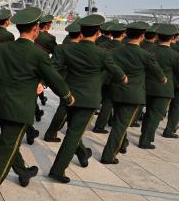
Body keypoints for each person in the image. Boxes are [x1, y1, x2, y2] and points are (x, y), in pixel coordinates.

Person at [0, 7, 73, 201]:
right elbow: (55, 78)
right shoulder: (38, 54)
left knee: (8, 141)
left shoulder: (2, 49)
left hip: (2, 106)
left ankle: (23, 171)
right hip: (20, 110)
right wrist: (67, 97)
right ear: (35, 28)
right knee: (3, 153)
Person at [48, 14, 126, 183]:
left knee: (73, 130)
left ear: (81, 32)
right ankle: (57, 169)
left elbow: (52, 69)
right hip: (89, 99)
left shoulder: (66, 49)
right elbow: (118, 74)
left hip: (69, 96)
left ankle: (83, 154)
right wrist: (123, 78)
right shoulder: (102, 54)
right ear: (98, 32)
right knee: (74, 134)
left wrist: (62, 89)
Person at [100, 22, 166, 164]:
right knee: (120, 125)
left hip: (116, 91)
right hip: (133, 95)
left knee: (119, 120)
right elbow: (159, 75)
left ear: (127, 35)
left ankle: (122, 145)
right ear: (142, 36)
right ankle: (108, 155)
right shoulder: (146, 55)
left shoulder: (114, 52)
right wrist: (164, 79)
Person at [137, 24, 179, 149]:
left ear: (157, 36)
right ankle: (145, 140)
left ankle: (145, 135)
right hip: (164, 89)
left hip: (146, 86)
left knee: (148, 113)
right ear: (173, 37)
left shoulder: (148, 51)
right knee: (155, 115)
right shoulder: (176, 55)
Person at [43, 21, 83, 143]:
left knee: (65, 107)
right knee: (65, 108)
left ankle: (54, 132)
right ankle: (51, 133)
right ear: (81, 34)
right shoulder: (83, 48)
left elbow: (53, 66)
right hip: (76, 83)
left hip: (65, 80)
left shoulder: (64, 44)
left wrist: (44, 81)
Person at [92, 22, 125, 133]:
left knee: (106, 101)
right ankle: (100, 126)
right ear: (123, 34)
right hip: (116, 78)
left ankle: (107, 121)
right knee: (110, 103)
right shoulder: (124, 48)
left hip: (102, 77)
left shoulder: (102, 45)